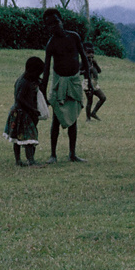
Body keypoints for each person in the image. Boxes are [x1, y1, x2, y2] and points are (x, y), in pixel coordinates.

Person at [41, 8, 86, 163]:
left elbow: (83, 56)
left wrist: (87, 78)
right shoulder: (51, 44)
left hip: (74, 81)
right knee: (56, 118)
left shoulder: (74, 37)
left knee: (73, 119)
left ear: (62, 21)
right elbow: (46, 70)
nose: (54, 26)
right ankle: (53, 154)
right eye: (50, 25)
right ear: (47, 28)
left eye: (56, 22)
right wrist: (43, 91)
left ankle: (72, 154)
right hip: (59, 82)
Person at [3, 56, 45, 167]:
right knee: (29, 138)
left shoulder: (26, 80)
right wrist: (32, 110)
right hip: (22, 113)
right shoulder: (24, 82)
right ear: (32, 71)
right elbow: (19, 98)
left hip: (20, 112)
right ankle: (31, 161)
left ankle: (19, 161)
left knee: (18, 138)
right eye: (38, 73)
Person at [82, 41, 106, 121]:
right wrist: (87, 70)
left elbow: (99, 71)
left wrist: (96, 64)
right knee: (90, 101)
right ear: (84, 53)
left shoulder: (93, 62)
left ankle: (93, 113)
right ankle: (88, 118)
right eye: (88, 53)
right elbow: (78, 72)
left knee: (103, 98)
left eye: (92, 53)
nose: (91, 55)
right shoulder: (83, 62)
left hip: (95, 83)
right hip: (87, 83)